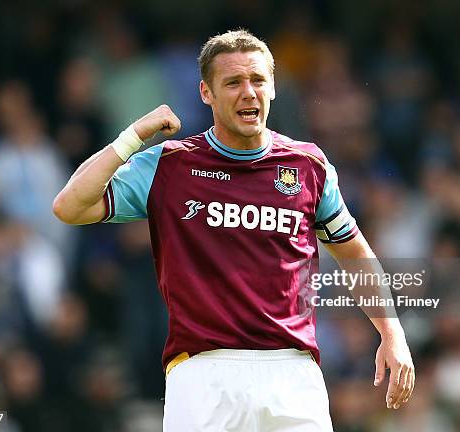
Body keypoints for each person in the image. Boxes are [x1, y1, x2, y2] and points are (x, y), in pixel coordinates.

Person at [53, 29, 414, 431]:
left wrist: (391, 332)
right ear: (206, 92)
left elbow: (355, 255)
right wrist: (132, 137)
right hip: (204, 373)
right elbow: (70, 206)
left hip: (292, 372)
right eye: (233, 82)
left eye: (258, 80)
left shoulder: (308, 166)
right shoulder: (170, 165)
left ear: (273, 88)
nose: (248, 92)